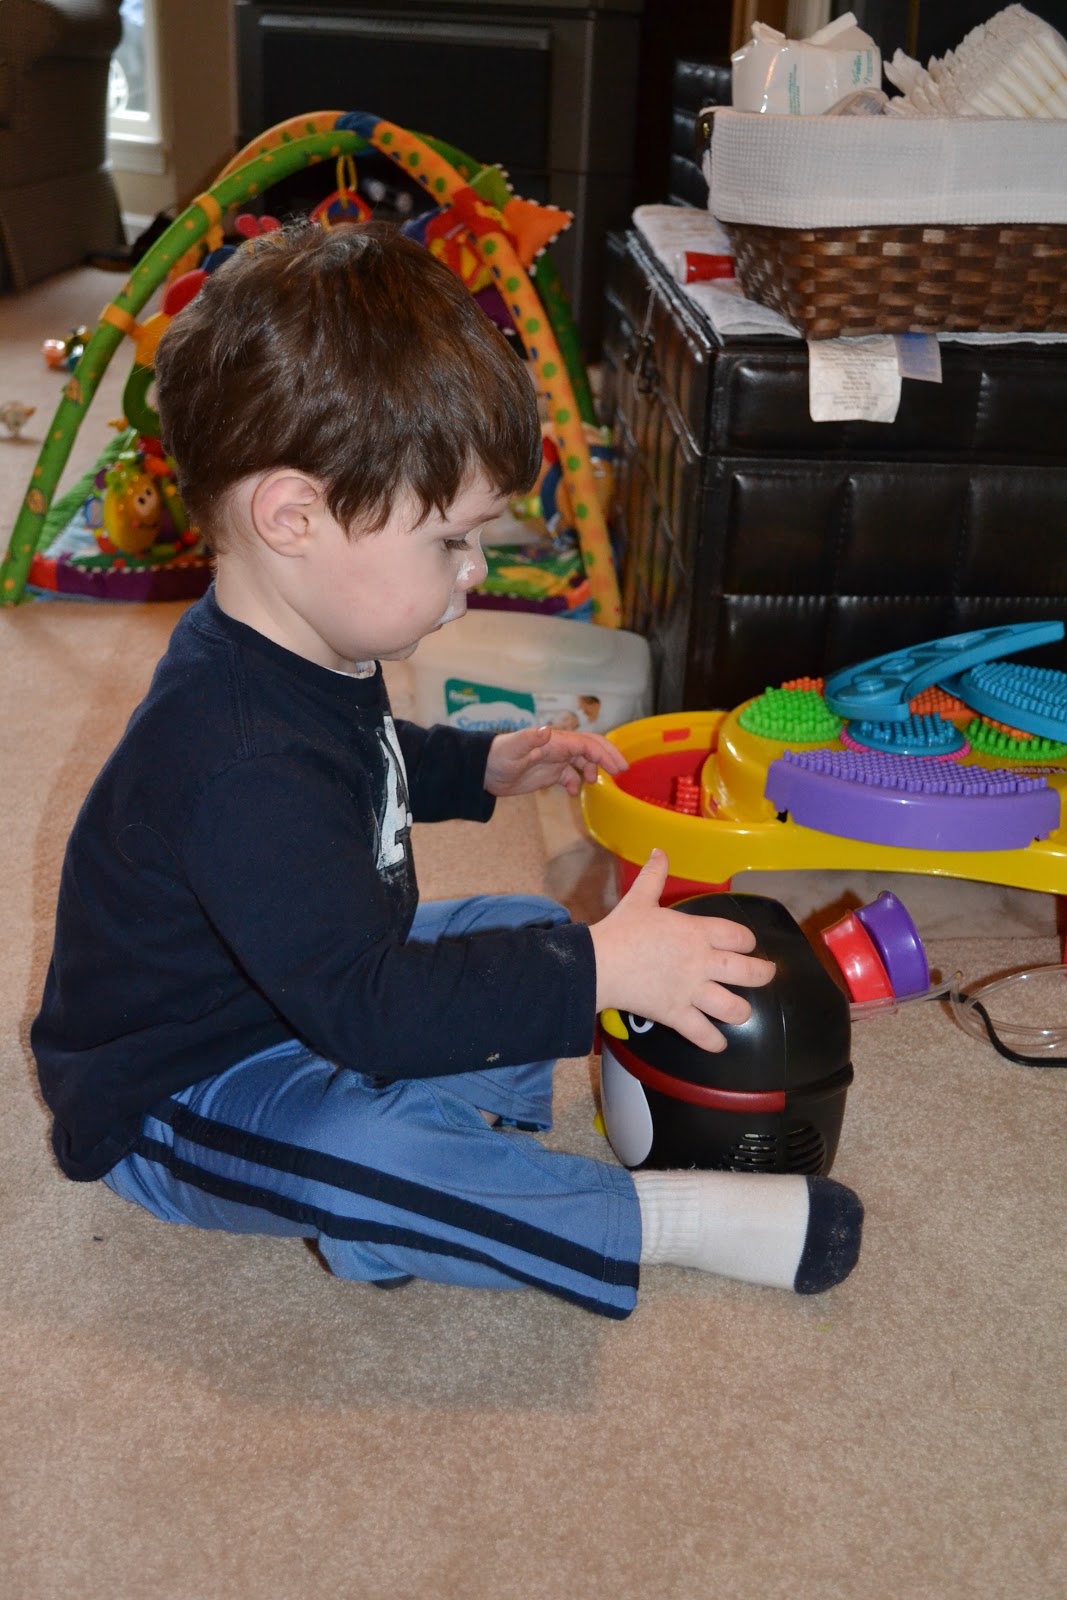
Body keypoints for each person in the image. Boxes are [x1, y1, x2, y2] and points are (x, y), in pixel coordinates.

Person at [32, 222, 863, 1318]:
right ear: (294, 516)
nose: (473, 573)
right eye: (450, 541)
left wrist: (478, 766)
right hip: (183, 1086)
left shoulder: (303, 645)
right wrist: (594, 974)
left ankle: (437, 1169)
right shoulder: (238, 758)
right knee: (377, 1146)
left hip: (314, 988)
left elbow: (359, 760)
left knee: (526, 928)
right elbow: (365, 999)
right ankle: (643, 1216)